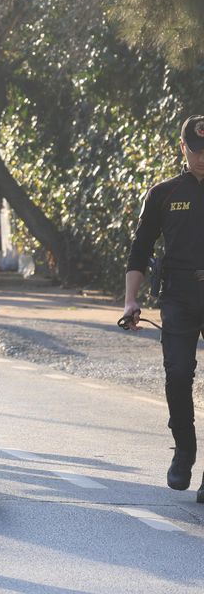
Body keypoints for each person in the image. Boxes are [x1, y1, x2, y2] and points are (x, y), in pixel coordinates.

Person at [122, 115, 204, 500]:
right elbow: (140, 249)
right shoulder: (164, 193)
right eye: (196, 151)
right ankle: (184, 451)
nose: (203, 158)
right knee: (177, 373)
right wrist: (131, 300)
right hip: (179, 295)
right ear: (183, 148)